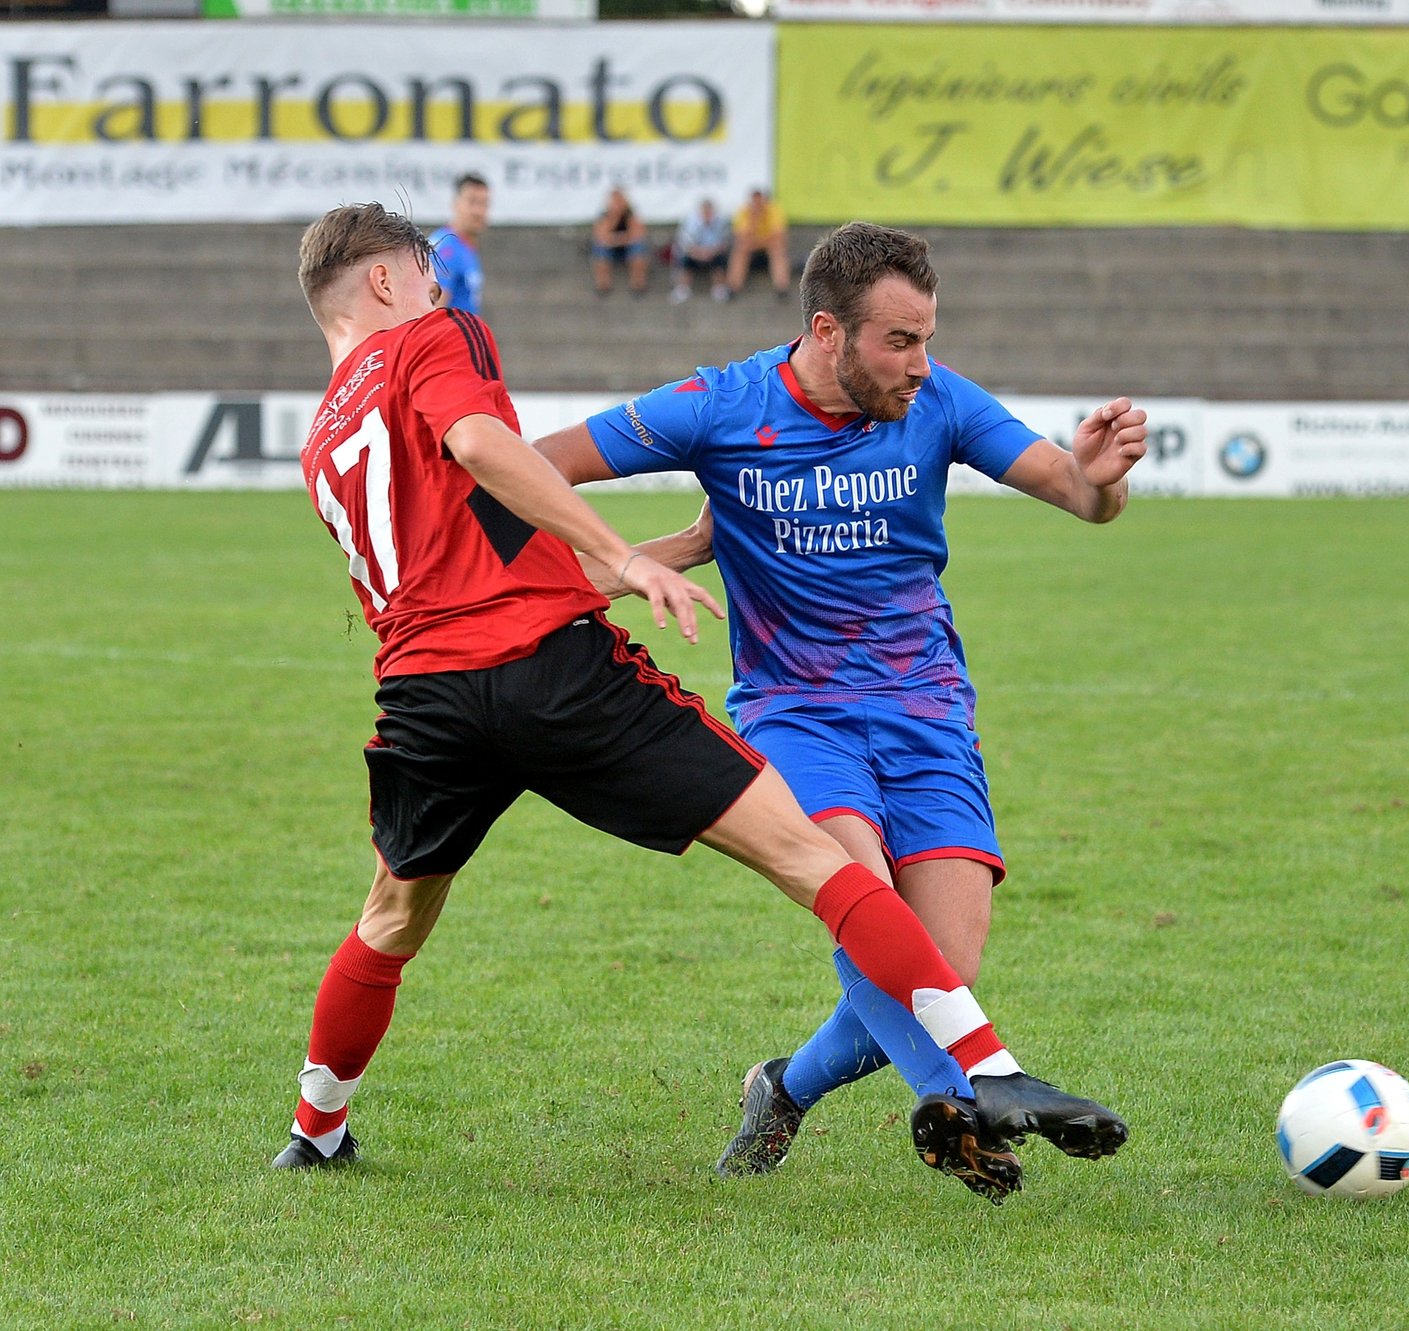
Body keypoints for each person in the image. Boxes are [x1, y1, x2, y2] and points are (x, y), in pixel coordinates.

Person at [270, 203, 1128, 1192]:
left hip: (427, 694)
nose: (439, 288)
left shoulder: (328, 434)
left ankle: (316, 1126)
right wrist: (621, 553)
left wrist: (662, 552)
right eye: (425, 271)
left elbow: (461, 552)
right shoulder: (437, 334)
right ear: (387, 281)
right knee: (816, 860)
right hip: (582, 677)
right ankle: (985, 1072)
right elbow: (488, 446)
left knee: (391, 915)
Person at [534, 221, 1149, 1203]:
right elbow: (536, 463)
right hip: (794, 711)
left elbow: (1075, 494)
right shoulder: (718, 406)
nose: (920, 362)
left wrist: (1102, 480)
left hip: (927, 709)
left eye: (926, 338)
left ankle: (783, 1087)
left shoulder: (939, 400)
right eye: (898, 341)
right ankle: (966, 1093)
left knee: (937, 965)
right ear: (827, 331)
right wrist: (622, 560)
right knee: (872, 923)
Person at [429, 174, 489, 315]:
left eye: (484, 204)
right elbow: (433, 312)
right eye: (472, 202)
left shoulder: (465, 246)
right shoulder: (447, 250)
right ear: (455, 203)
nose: (478, 211)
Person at [724, 188, 791, 301]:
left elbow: (779, 234)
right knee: (740, 250)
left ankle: (782, 287)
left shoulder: (773, 210)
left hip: (767, 244)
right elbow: (741, 236)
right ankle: (733, 287)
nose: (758, 203)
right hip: (751, 244)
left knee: (778, 249)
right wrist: (754, 219)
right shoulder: (744, 211)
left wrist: (760, 241)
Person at [670, 198, 732, 305]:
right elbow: (684, 244)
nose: (707, 214)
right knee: (684, 258)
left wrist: (711, 252)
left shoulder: (721, 222)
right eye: (705, 212)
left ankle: (719, 288)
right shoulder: (690, 222)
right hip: (694, 253)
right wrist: (699, 253)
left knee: (720, 259)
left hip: (713, 253)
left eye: (709, 212)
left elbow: (725, 243)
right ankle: (682, 288)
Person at [590, 187, 648, 298]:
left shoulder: (631, 215)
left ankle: (638, 284)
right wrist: (614, 218)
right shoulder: (604, 216)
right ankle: (603, 284)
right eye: (614, 202)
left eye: (619, 201)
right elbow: (601, 237)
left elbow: (638, 235)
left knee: (638, 249)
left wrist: (614, 239)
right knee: (600, 250)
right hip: (612, 248)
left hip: (627, 248)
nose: (617, 204)